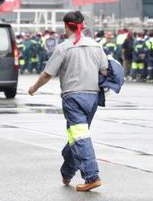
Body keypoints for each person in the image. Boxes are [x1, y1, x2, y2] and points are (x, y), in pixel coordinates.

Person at [28, 11, 108, 192]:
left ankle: (92, 176)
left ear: (66, 26)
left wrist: (34, 88)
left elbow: (48, 73)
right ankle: (67, 172)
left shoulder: (63, 48)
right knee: (78, 136)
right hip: (93, 98)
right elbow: (105, 71)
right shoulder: (96, 46)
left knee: (79, 137)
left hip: (73, 98)